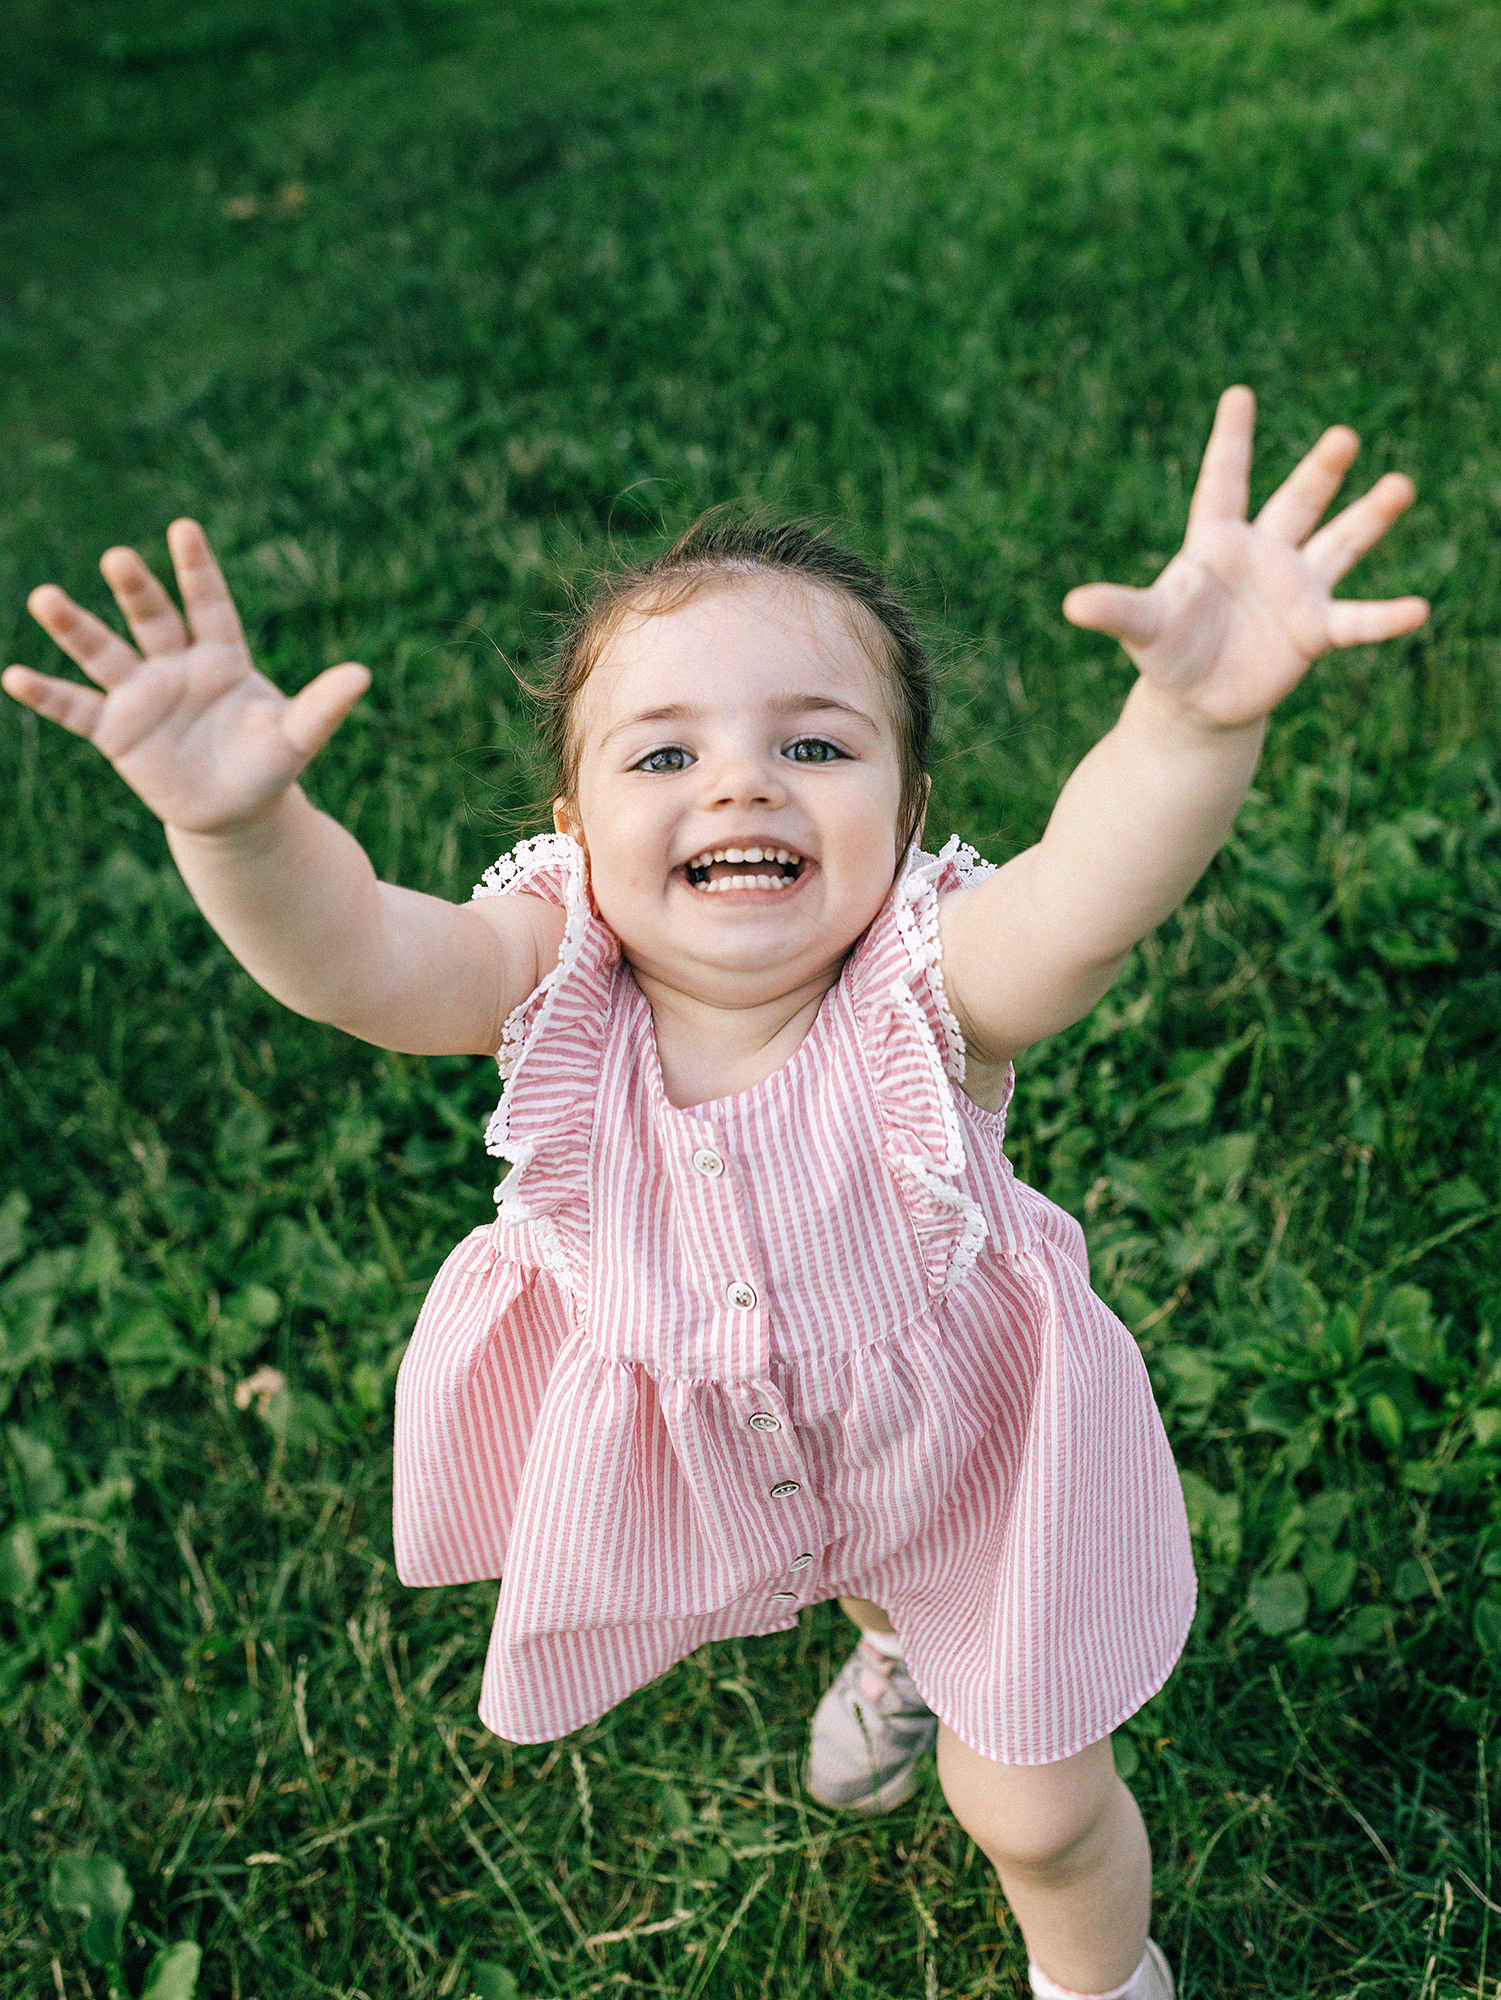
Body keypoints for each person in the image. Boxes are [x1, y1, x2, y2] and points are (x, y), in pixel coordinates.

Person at [4, 387, 1427, 2000]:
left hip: (979, 1459)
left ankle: (1099, 1979)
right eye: (665, 753)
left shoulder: (932, 988)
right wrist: (241, 826)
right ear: (573, 833)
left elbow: (1086, 897)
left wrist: (1189, 728)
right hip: (763, 1446)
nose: (742, 783)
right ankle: (893, 1643)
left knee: (1030, 1813)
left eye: (813, 744)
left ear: (906, 818)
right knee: (862, 1558)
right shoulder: (546, 977)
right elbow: (359, 960)